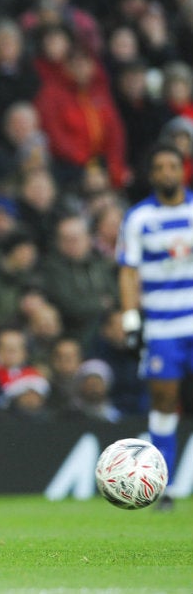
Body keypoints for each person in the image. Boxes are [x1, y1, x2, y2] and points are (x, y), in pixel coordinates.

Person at [117, 143, 193, 511]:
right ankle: (165, 486)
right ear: (151, 176)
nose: (167, 173)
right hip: (163, 327)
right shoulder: (138, 218)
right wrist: (131, 319)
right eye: (160, 167)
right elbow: (128, 271)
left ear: (183, 170)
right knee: (164, 402)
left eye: (173, 166)